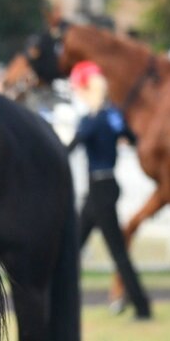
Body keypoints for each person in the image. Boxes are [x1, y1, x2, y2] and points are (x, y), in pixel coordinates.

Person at [67, 61, 152, 321]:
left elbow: (71, 148)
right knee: (73, 248)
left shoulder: (91, 121)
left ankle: (142, 307)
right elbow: (132, 137)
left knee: (112, 251)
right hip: (106, 187)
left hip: (99, 189)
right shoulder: (113, 115)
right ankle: (140, 305)